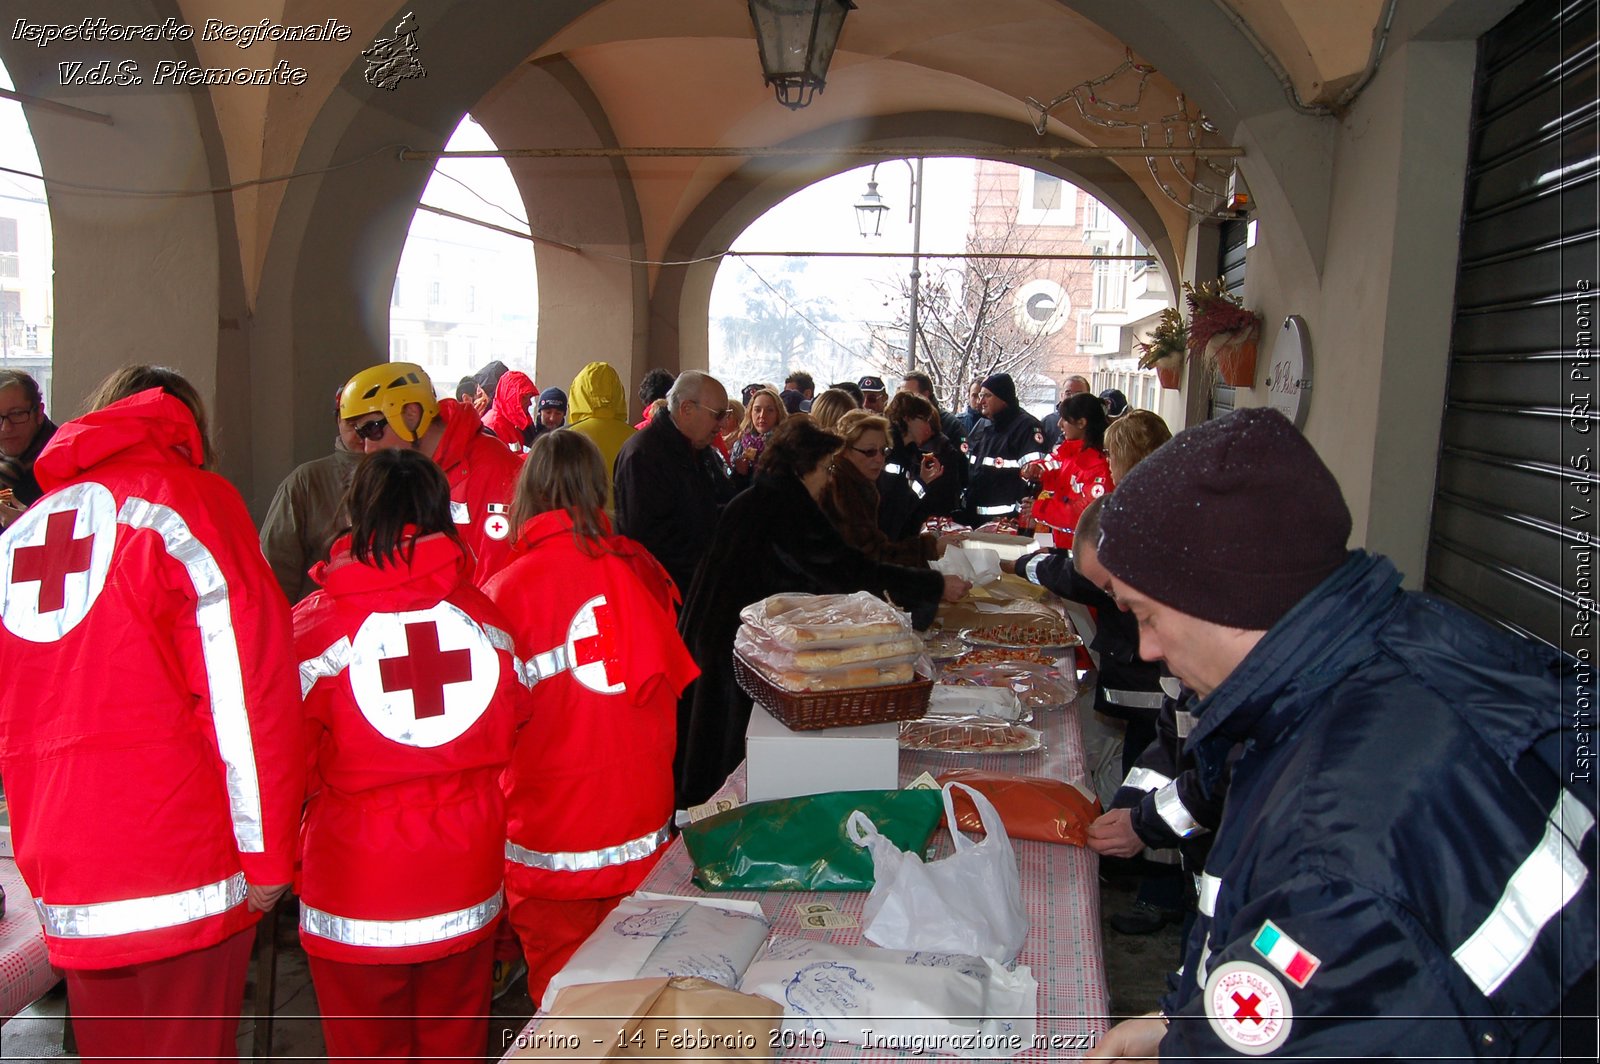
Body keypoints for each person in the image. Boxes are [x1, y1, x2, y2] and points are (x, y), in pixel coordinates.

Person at [1087, 408, 1595, 1062]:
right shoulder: (1401, 646)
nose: (1147, 647)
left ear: (1226, 600)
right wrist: (1182, 1026)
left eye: (1146, 614)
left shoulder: (1331, 843)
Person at [0, 366, 302, 1062]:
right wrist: (268, 854)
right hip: (181, 860)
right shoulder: (190, 504)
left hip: (66, 867)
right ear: (189, 427)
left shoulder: (29, 529)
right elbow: (245, 693)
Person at [292, 448, 526, 1064]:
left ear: (356, 514)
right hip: (465, 874)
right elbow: (515, 722)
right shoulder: (488, 620)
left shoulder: (318, 627)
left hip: (355, 881)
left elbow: (280, 754)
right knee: (455, 1044)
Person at [485, 431, 699, 1004]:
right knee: (632, 999)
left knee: (562, 1004)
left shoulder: (502, 593)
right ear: (598, 488)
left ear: (526, 490)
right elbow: (669, 693)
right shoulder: (642, 572)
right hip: (636, 830)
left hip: (547, 839)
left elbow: (491, 732)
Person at [674, 418, 969, 807]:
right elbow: (849, 570)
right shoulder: (788, 506)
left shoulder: (760, 498)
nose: (830, 478)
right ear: (804, 468)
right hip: (738, 649)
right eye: (827, 468)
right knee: (727, 760)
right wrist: (933, 586)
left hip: (722, 638)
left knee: (709, 750)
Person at [339, 361, 521, 585]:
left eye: (373, 429)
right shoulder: (406, 476)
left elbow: (499, 579)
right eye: (361, 434)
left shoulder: (492, 468)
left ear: (411, 414)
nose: (368, 447)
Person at [612, 371, 736, 596]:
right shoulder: (644, 455)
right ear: (687, 409)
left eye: (725, 414)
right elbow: (646, 539)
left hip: (697, 584)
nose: (723, 424)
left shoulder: (699, 449)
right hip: (664, 592)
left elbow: (705, 506)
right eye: (718, 415)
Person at [259, 389, 364, 603]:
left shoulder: (415, 476)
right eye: (351, 423)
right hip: (321, 619)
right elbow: (277, 563)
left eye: (372, 424)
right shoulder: (306, 481)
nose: (360, 433)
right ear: (338, 421)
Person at [820, 409, 938, 567]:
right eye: (870, 452)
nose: (879, 459)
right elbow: (871, 558)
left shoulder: (861, 483)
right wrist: (931, 548)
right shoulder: (840, 489)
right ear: (845, 451)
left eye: (884, 451)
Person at [1025, 391, 1113, 548]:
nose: (1059, 424)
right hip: (1059, 543)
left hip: (1082, 555)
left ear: (1081, 423)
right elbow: (1051, 465)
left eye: (1064, 419)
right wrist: (1033, 469)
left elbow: (1084, 516)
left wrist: (1039, 508)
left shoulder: (1099, 467)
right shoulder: (1069, 453)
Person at [962, 372, 1047, 527]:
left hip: (1006, 524)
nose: (981, 401)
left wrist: (1017, 518)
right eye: (980, 395)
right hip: (976, 520)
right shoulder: (984, 425)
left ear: (1003, 398)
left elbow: (1034, 479)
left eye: (987, 396)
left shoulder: (1027, 427)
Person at [882, 391, 965, 526]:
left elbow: (907, 503)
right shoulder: (890, 453)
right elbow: (894, 507)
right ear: (907, 418)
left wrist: (923, 481)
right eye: (924, 420)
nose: (928, 427)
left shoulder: (906, 454)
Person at [566, 361, 636, 510]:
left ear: (577, 392)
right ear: (619, 392)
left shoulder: (566, 439)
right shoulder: (637, 438)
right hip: (624, 527)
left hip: (579, 526)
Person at [0, 369, 57, 528]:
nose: (6, 428)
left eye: (17, 414)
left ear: (39, 413)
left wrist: (30, 525)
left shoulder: (64, 462)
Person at [729, 385, 786, 483]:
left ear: (778, 413)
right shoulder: (740, 445)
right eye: (757, 410)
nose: (762, 415)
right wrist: (739, 473)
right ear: (750, 412)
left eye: (770, 410)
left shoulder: (785, 445)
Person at [899, 369, 965, 449]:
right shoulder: (899, 422)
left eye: (909, 395)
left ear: (925, 395)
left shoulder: (952, 424)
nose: (903, 400)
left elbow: (961, 459)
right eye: (901, 396)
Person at [482, 369, 539, 450]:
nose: (529, 403)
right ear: (510, 397)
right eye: (524, 398)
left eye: (529, 397)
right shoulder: (493, 426)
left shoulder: (513, 422)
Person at [1041, 374, 1093, 451]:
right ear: (1061, 396)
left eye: (1078, 394)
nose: (1072, 397)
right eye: (1068, 393)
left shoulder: (1095, 422)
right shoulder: (1048, 422)